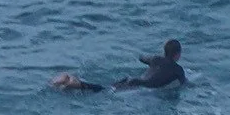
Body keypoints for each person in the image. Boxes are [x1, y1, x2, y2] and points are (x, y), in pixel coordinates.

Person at [50, 38, 184, 92]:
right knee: (105, 91)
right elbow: (184, 84)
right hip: (139, 86)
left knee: (106, 88)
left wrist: (154, 58)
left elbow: (142, 58)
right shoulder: (178, 69)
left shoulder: (155, 59)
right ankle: (74, 84)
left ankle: (71, 83)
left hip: (131, 79)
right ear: (177, 54)